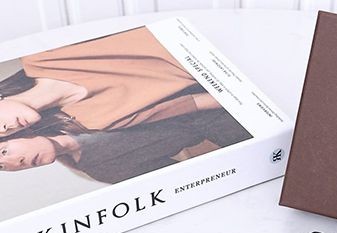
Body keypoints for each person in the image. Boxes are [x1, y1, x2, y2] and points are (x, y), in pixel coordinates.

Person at [0, 26, 220, 138]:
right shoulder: (94, 121)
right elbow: (193, 103)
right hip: (217, 66)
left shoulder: (39, 54)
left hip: (189, 27)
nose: (5, 129)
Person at [0, 108, 252, 184]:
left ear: (20, 133)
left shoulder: (69, 109)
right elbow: (191, 178)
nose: (14, 163)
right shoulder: (102, 170)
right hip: (222, 127)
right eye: (3, 166)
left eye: (3, 152)